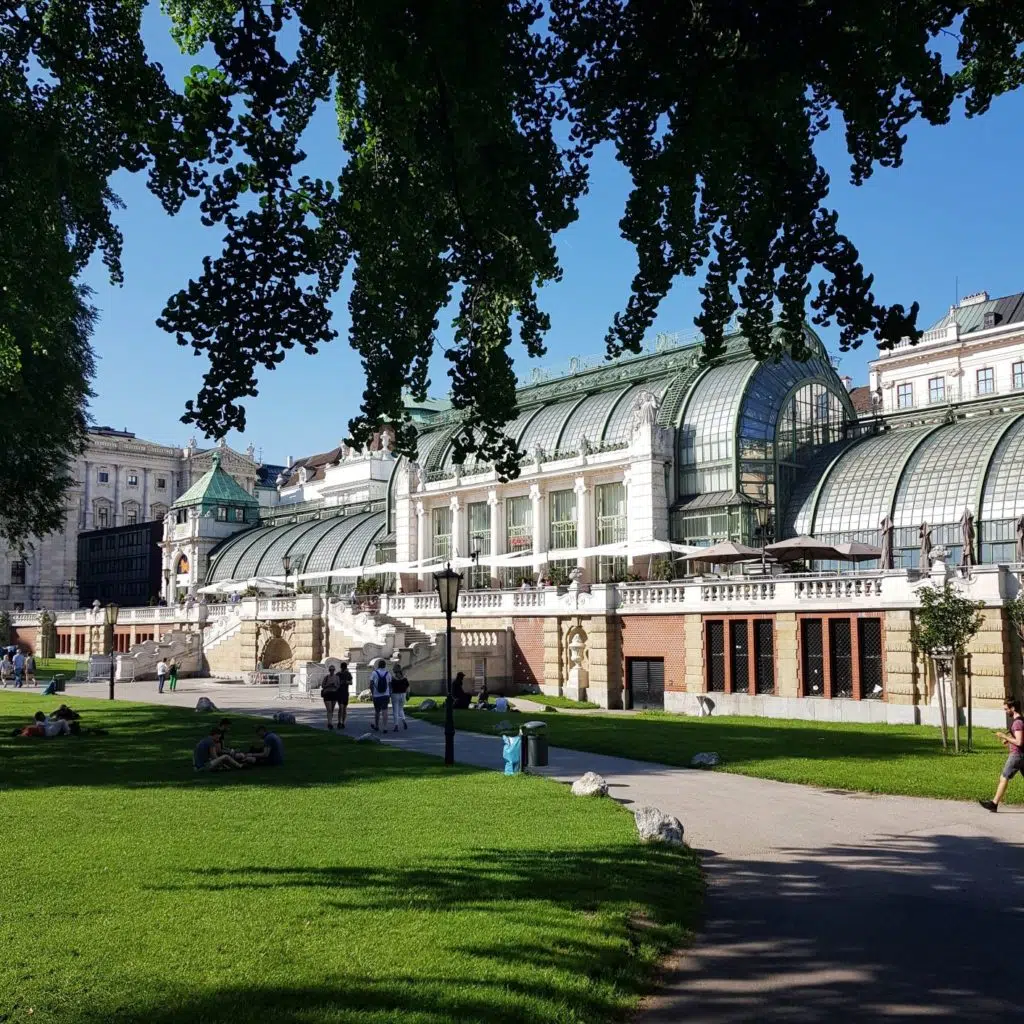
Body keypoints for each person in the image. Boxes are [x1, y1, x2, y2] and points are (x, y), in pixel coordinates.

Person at [980, 698, 1024, 812]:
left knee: (1004, 777)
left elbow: (1019, 742)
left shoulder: (1018, 723)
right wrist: (1009, 739)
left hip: (1017, 755)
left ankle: (994, 804)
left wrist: (1004, 737)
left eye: (1006, 709)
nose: (1005, 711)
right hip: (1021, 754)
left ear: (1012, 708)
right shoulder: (1021, 720)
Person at [369, 659, 391, 732]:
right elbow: (390, 685)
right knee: (385, 711)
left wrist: (372, 693)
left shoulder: (374, 673)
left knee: (377, 711)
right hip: (385, 695)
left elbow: (371, 684)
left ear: (378, 665)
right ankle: (385, 727)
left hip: (377, 695)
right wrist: (389, 693)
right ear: (385, 666)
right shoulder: (388, 673)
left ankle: (377, 726)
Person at [321, 664, 342, 729]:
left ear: (334, 670)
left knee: (332, 709)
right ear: (329, 670)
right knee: (329, 709)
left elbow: (339, 686)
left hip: (334, 693)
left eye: (333, 670)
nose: (332, 671)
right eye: (330, 670)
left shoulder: (337, 677)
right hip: (327, 693)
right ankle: (329, 723)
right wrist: (328, 685)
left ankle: (330, 721)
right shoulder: (326, 677)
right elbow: (323, 686)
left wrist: (335, 686)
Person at [390, 661, 410, 731]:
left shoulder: (393, 678)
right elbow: (408, 687)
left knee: (395, 710)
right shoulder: (404, 678)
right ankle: (403, 720)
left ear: (394, 670)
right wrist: (408, 694)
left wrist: (389, 694)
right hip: (403, 694)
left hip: (395, 694)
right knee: (401, 709)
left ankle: (396, 725)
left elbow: (390, 687)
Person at [336, 661, 352, 729]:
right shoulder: (338, 674)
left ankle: (342, 722)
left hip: (345, 692)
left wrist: (345, 682)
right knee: (341, 707)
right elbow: (336, 682)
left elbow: (351, 682)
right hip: (340, 692)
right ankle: (340, 722)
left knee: (343, 708)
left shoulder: (348, 674)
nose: (343, 668)